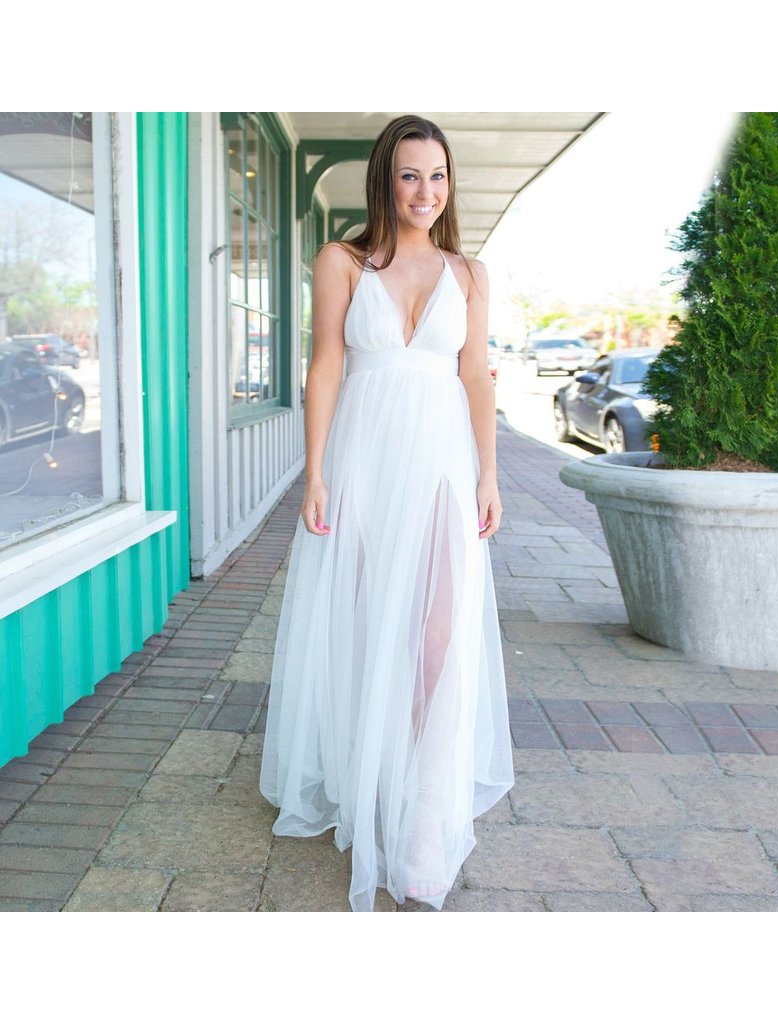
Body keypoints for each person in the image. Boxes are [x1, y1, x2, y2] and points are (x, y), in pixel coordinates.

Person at [259, 114, 515, 912]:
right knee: (373, 627)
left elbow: (476, 377)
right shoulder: (341, 261)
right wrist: (314, 472)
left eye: (437, 176)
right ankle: (376, 776)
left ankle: (427, 818)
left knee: (438, 634)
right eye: (410, 175)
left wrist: (489, 475)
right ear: (385, 179)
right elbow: (325, 366)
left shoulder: (470, 274)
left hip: (442, 464)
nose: (425, 192)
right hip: (364, 461)